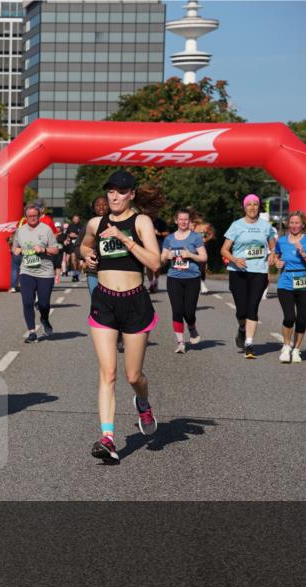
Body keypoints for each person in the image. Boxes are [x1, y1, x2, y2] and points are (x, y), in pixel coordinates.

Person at [79, 170, 161, 464]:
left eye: (120, 191)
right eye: (110, 190)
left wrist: (126, 240)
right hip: (104, 302)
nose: (114, 196)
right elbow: (86, 244)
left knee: (133, 375)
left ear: (132, 194)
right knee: (108, 373)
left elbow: (155, 263)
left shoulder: (141, 222)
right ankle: (108, 438)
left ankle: (143, 402)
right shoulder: (96, 223)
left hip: (135, 302)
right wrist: (86, 255)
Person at [221, 194, 277, 359]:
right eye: (249, 205)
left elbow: (273, 244)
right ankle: (242, 328)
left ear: (259, 207)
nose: (252, 207)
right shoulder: (236, 225)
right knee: (241, 311)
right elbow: (224, 249)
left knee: (253, 308)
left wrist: (273, 254)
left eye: (255, 205)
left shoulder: (266, 226)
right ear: (244, 208)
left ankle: (249, 344)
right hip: (238, 272)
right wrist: (235, 259)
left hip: (259, 271)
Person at [273, 211, 306, 363]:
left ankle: (297, 350)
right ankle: (286, 347)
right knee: (289, 317)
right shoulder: (282, 241)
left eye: (297, 223)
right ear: (288, 224)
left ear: (302, 224)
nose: (294, 225)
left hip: (304, 281)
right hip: (285, 281)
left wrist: (303, 253)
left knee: (301, 320)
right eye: (291, 222)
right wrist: (276, 263)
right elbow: (275, 256)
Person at [161, 208, 207, 353]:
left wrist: (190, 255)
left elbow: (204, 257)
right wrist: (165, 256)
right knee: (177, 310)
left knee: (189, 311)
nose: (183, 222)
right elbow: (161, 259)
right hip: (174, 278)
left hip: (192, 278)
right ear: (176, 221)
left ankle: (192, 327)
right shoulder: (169, 239)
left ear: (189, 221)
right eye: (181, 219)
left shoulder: (195, 238)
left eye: (186, 219)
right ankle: (181, 342)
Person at [13, 202, 59, 342]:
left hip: (45, 273)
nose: (32, 218)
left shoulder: (46, 229)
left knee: (44, 304)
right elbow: (14, 247)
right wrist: (17, 251)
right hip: (27, 271)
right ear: (25, 217)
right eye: (29, 216)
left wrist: (44, 250)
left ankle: (44, 319)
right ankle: (32, 331)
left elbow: (55, 249)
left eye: (35, 216)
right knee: (27, 302)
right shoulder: (20, 231)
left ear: (39, 216)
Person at [84, 196, 109, 295]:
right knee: (96, 302)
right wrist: (87, 254)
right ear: (93, 208)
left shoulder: (117, 223)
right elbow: (79, 247)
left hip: (111, 271)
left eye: (105, 204)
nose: (101, 207)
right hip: (93, 271)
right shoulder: (89, 225)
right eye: (98, 205)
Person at [192, 212, 215, 293]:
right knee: (193, 266)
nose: (196, 219)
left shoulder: (206, 226)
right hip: (192, 249)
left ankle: (202, 283)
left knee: (202, 266)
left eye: (197, 217)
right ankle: (194, 284)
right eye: (195, 218)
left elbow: (212, 234)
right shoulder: (192, 226)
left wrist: (206, 239)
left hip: (203, 248)